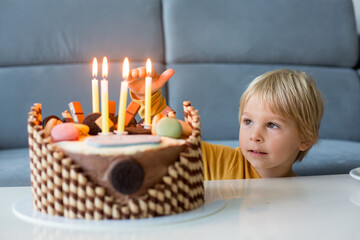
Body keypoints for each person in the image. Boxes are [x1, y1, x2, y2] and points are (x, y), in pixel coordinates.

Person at [127, 68, 325, 180]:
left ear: (305, 139)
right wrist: (148, 97)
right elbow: (171, 132)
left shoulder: (304, 190)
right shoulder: (222, 161)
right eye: (248, 121)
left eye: (272, 125)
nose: (254, 135)